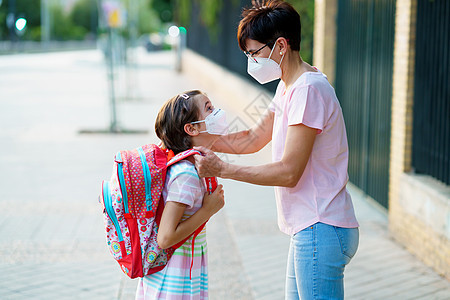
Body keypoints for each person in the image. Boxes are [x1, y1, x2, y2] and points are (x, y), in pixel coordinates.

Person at [193, 1, 359, 299]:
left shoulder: (308, 90)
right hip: (310, 228)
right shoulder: (288, 85)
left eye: (254, 53)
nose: (250, 61)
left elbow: (288, 172)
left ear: (280, 46)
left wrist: (223, 170)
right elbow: (253, 138)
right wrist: (199, 140)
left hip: (320, 226)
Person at [136, 90, 226, 300]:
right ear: (191, 128)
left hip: (179, 275)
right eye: (209, 108)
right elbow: (165, 238)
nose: (217, 113)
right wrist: (208, 210)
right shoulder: (186, 174)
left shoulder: (188, 165)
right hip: (172, 284)